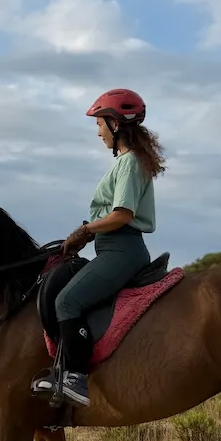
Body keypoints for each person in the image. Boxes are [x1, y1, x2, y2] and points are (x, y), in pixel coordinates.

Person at [33, 88, 166, 407]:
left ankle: (76, 380)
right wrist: (87, 234)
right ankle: (64, 368)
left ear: (116, 125)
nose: (98, 131)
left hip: (123, 251)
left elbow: (123, 215)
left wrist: (86, 229)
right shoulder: (125, 162)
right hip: (110, 248)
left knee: (67, 301)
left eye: (99, 124)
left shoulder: (130, 162)